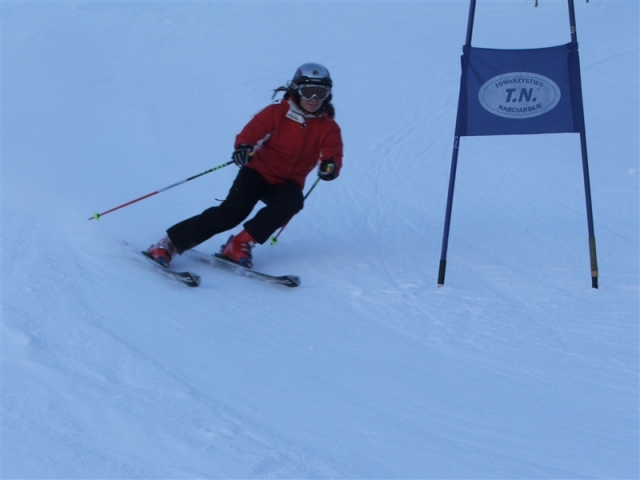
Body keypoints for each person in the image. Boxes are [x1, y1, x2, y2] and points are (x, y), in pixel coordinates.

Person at [147, 63, 344, 269]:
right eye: (308, 91)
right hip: (258, 173)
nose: (314, 99)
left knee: (292, 201)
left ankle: (239, 244)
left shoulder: (329, 128)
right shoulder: (277, 113)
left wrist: (329, 167)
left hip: (288, 183)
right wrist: (243, 147)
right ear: (296, 90)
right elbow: (250, 134)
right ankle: (169, 243)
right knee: (231, 214)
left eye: (321, 92)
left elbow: (333, 155)